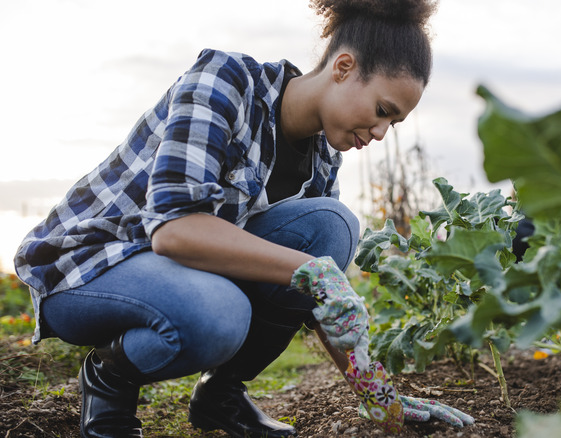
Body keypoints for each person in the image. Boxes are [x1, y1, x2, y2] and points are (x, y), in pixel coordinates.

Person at [14, 0, 473, 437]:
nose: (379, 133)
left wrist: (376, 391)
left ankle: (221, 391)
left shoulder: (322, 157)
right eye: (382, 111)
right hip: (86, 269)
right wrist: (309, 272)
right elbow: (175, 230)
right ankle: (109, 377)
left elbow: (319, 297)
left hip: (172, 276)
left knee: (332, 224)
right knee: (220, 314)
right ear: (344, 67)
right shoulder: (226, 80)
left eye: (392, 124)